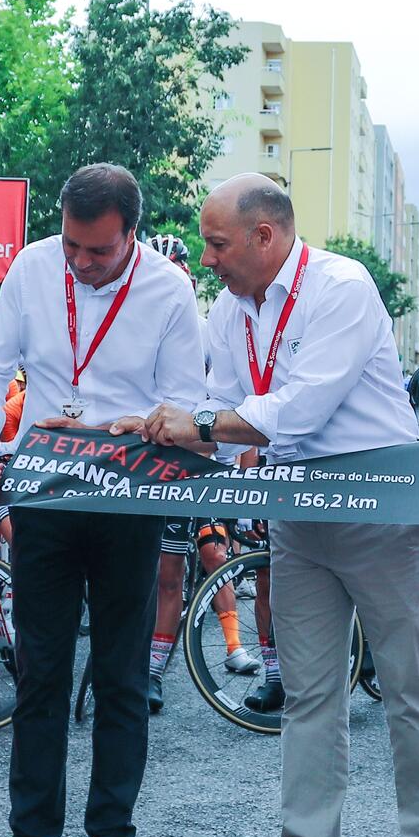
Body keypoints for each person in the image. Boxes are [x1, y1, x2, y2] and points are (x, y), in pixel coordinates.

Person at [127, 174, 419, 837]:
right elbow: (215, 405)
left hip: (382, 502)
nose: (209, 259)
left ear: (265, 237)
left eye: (217, 243)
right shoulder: (227, 308)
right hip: (296, 509)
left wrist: (203, 427)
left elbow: (299, 407)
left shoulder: (340, 286)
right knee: (310, 691)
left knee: (411, 686)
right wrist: (149, 432)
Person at [0, 166, 206, 837]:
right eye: (72, 242)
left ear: (131, 233)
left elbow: (185, 402)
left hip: (126, 495)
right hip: (42, 489)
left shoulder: (169, 290)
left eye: (97, 252)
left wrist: (123, 427)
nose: (79, 261)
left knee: (121, 674)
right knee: (40, 670)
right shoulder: (36, 265)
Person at [143, 233, 255, 707]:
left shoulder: (210, 326)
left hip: (210, 459)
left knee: (215, 556)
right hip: (161, 465)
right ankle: (150, 672)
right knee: (167, 573)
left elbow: (238, 399)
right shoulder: (140, 327)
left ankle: (234, 646)